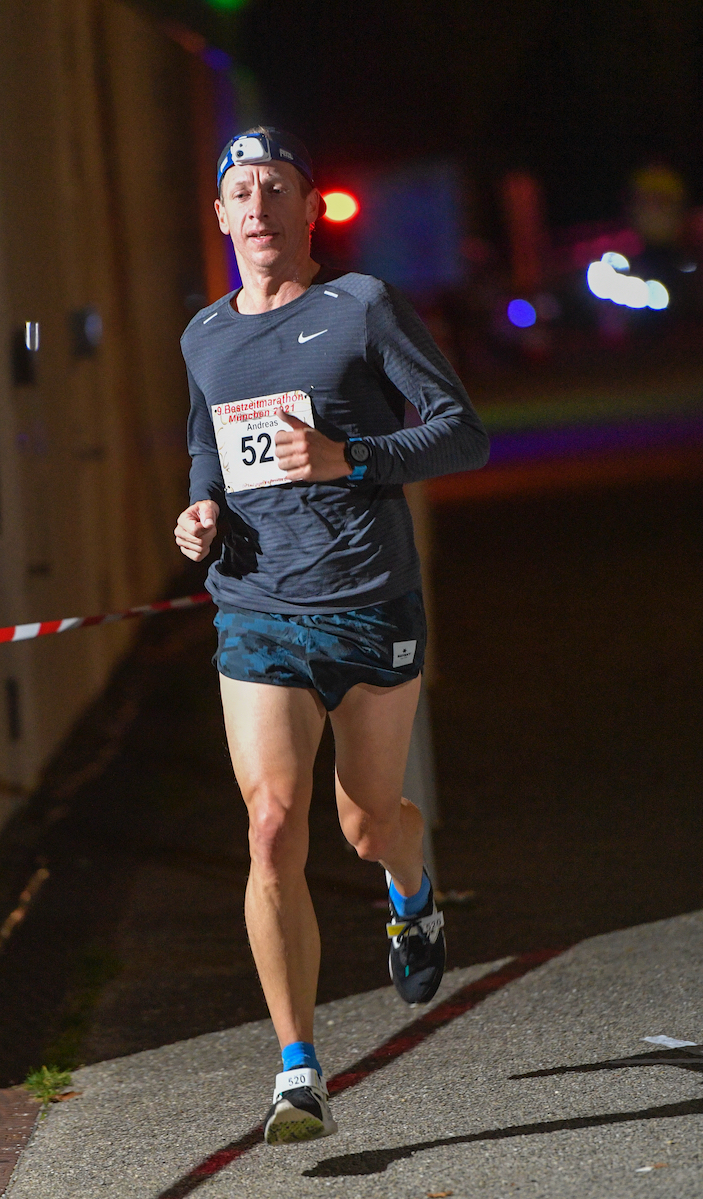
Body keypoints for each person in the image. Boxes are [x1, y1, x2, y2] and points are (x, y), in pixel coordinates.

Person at [174, 128, 488, 1145]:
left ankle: (412, 893)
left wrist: (347, 456)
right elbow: (206, 445)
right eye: (238, 192)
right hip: (256, 609)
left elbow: (458, 429)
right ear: (219, 217)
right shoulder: (204, 337)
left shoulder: (359, 307)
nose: (257, 206)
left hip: (366, 602)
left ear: (309, 210)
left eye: (276, 188)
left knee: (364, 822)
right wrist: (198, 512)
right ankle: (297, 1068)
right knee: (271, 824)